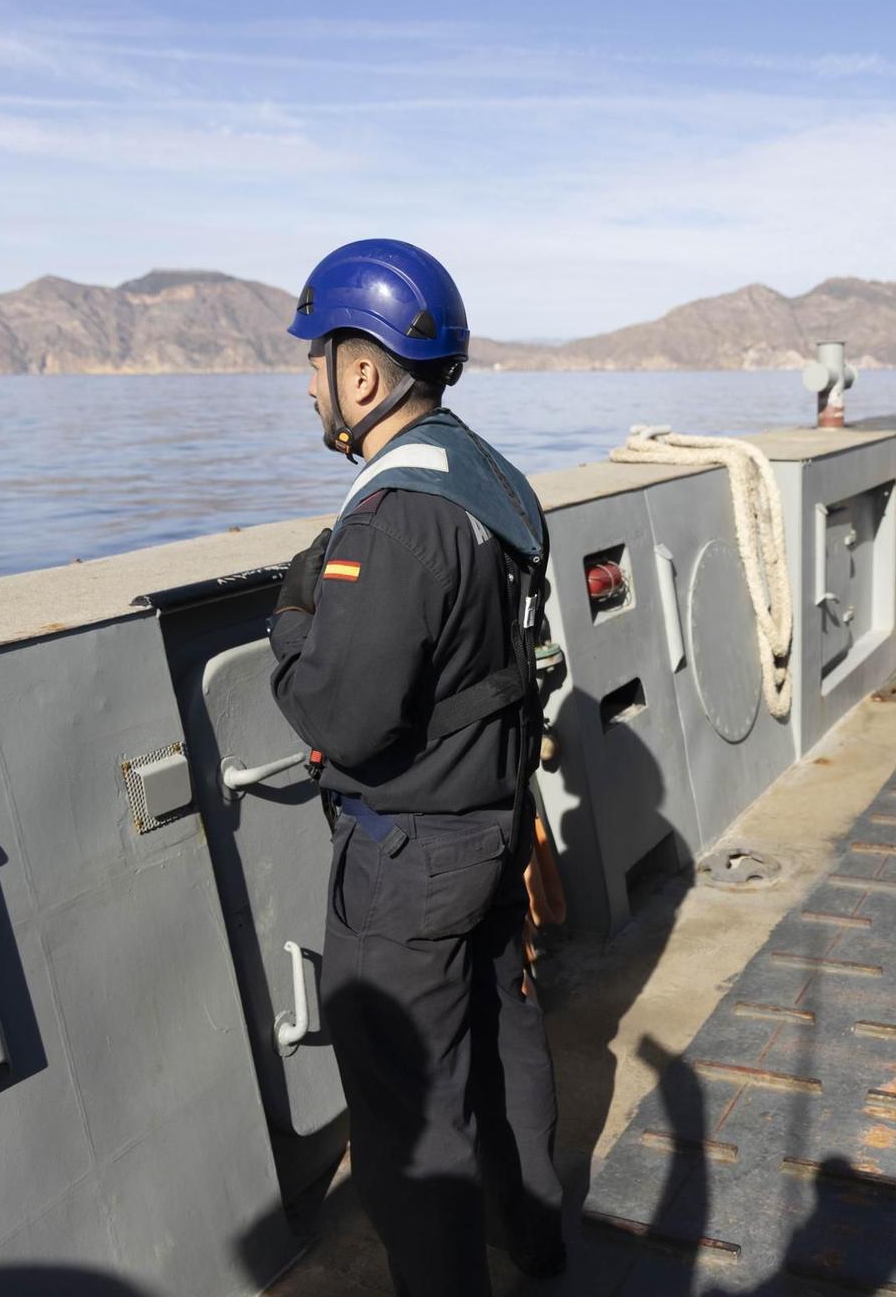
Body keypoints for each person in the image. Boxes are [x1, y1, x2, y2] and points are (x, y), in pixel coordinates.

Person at [266, 239, 564, 1294]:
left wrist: (294, 621)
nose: (308, 381)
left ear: (364, 371)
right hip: (490, 819)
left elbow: (342, 717)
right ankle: (535, 1243)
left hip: (409, 857)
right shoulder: (486, 474)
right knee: (502, 1039)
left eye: (316, 359)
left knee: (407, 1111)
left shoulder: (393, 519)